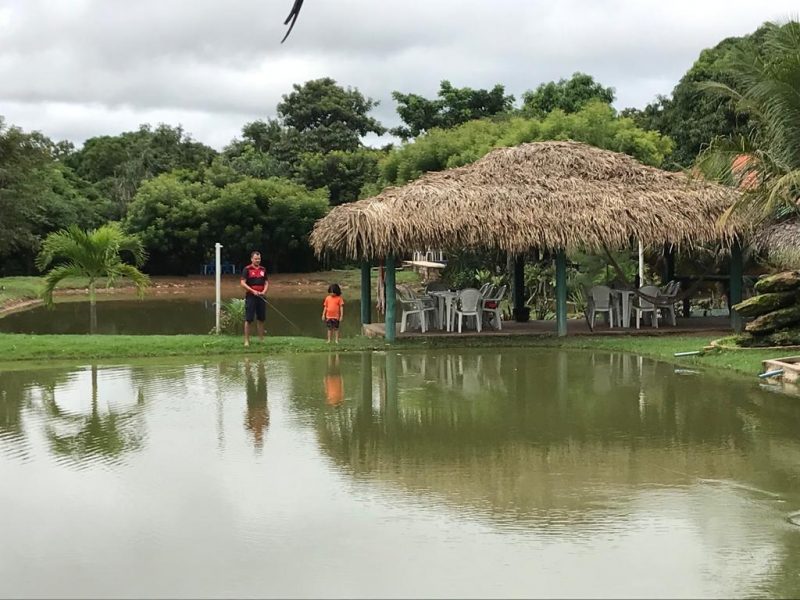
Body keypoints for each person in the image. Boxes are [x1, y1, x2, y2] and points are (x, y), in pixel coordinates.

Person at [240, 251, 269, 347]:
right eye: (256, 259)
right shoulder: (247, 269)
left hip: (261, 296)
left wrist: (264, 291)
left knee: (261, 318)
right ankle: (246, 341)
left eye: (259, 259)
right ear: (251, 259)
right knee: (249, 319)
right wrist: (252, 291)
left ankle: (261, 339)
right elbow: (243, 283)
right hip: (251, 296)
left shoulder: (263, 269)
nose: (258, 260)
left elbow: (266, 282)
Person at [244, 359, 269, 450]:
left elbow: (246, 417)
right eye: (259, 438)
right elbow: (267, 414)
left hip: (255, 405)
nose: (258, 436)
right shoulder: (264, 425)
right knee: (250, 381)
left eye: (258, 438)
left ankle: (260, 362)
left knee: (261, 380)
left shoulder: (250, 427)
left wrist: (252, 411)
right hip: (257, 404)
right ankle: (248, 363)